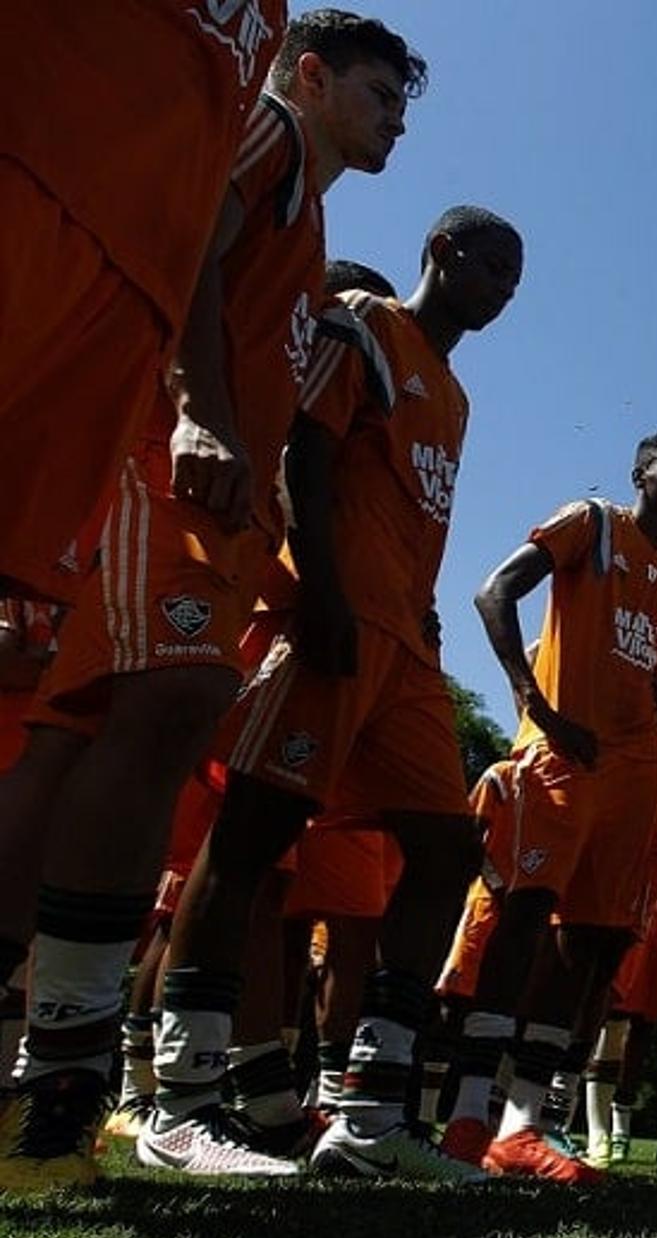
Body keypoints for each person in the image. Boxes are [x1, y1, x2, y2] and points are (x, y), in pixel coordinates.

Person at [0, 13, 424, 1189]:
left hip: (219, 504)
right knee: (167, 703)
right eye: (382, 93)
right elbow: (186, 243)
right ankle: (77, 1083)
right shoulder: (269, 138)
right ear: (310, 73)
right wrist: (196, 402)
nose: (397, 118)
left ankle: (44, 1098)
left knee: (70, 740)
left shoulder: (314, 212)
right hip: (160, 462)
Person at [168, 205, 521, 1184]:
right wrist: (317, 585)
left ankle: (368, 1115)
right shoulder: (363, 321)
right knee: (252, 836)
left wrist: (424, 620)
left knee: (448, 851)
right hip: (331, 615)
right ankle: (181, 1095)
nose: (503, 287)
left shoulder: (454, 395)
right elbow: (304, 454)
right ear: (441, 252)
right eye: (491, 263)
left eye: (514, 279)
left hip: (405, 647)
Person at [440, 432, 657, 1182]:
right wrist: (535, 704)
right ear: (639, 476)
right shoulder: (590, 525)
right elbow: (494, 591)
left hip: (633, 775)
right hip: (560, 755)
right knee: (523, 918)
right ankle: (467, 1115)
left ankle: (523, 1126)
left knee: (586, 942)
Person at [0, 1, 288, 606]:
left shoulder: (270, 19)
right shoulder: (276, 131)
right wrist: (201, 408)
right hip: (30, 185)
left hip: (126, 305)